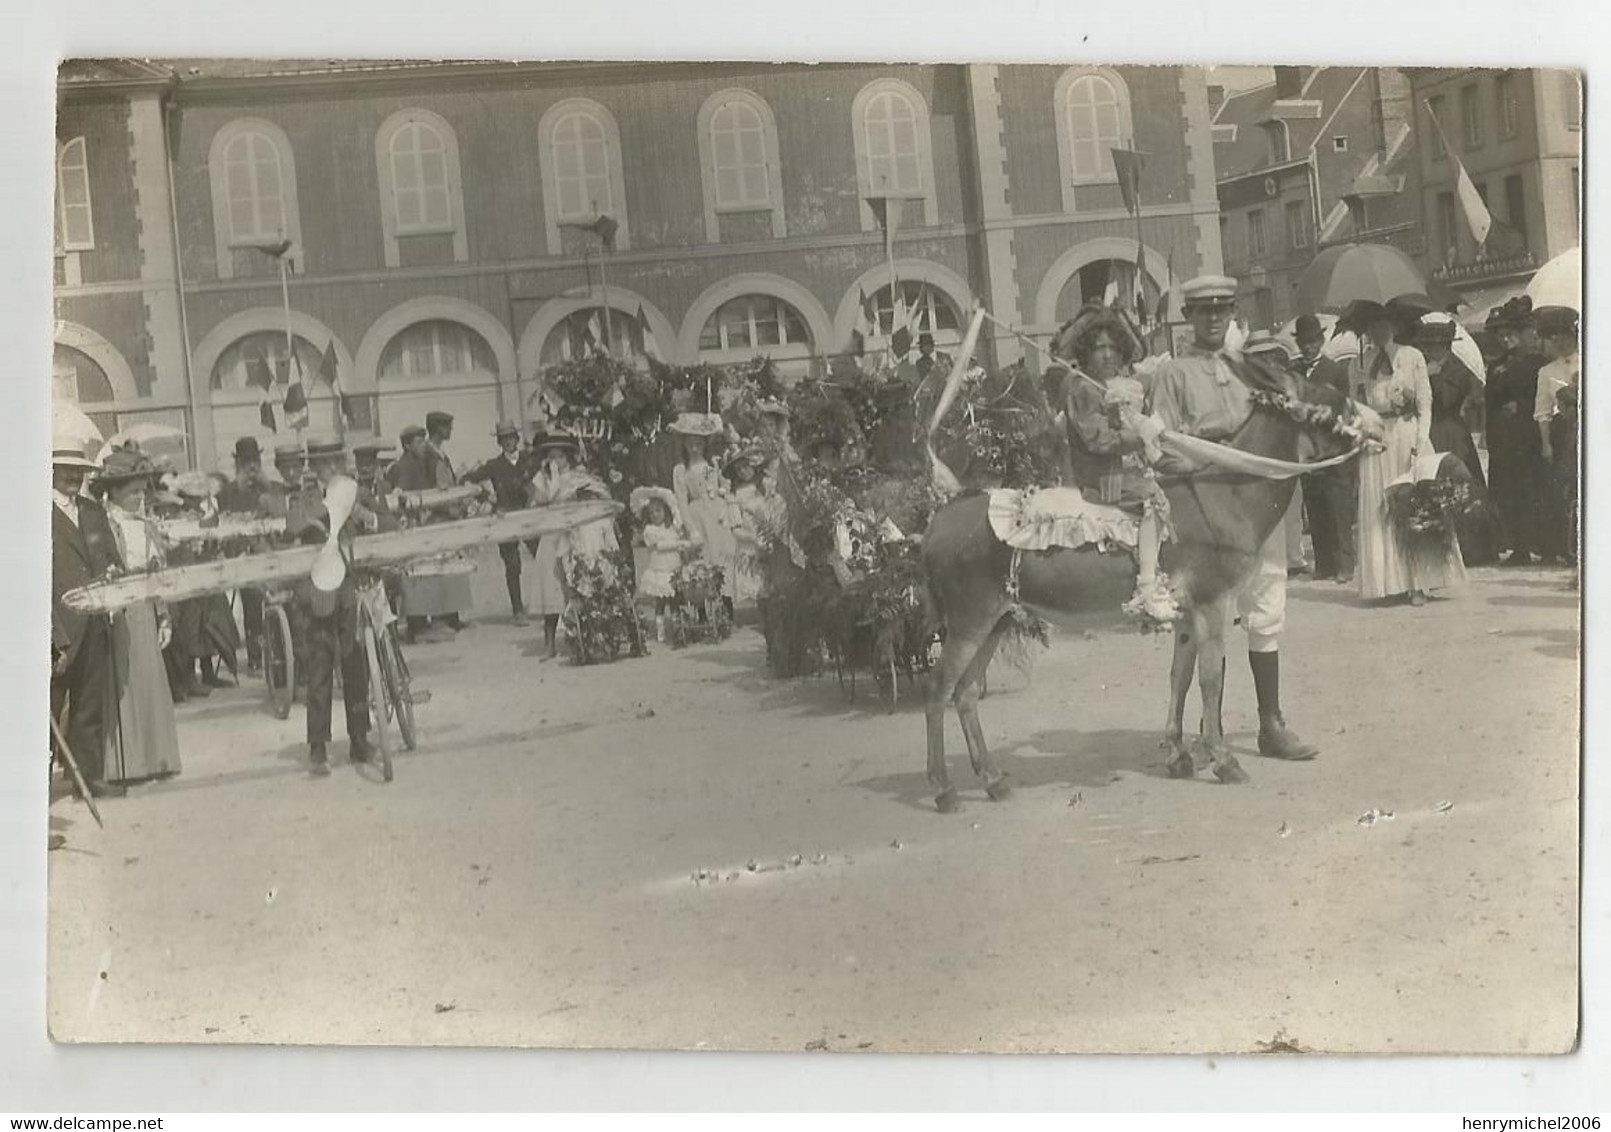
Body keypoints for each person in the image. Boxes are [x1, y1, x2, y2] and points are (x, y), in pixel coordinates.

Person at [1143, 275, 1319, 762]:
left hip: (1258, 509)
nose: (1213, 318)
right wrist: (1195, 459)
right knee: (1205, 621)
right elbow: (1158, 445)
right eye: (1203, 311)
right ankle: (1205, 727)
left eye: (1222, 309)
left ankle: (1271, 723)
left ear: (1232, 311)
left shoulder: (1252, 371)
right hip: (1204, 514)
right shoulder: (1172, 374)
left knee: (1267, 608)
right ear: (1190, 316)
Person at [1055, 304, 1176, 623]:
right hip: (1101, 477)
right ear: (1086, 351)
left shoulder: (1119, 387)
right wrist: (1139, 435)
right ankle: (1147, 586)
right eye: (1098, 348)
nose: (1107, 355)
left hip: (1127, 469)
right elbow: (1100, 441)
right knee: (1152, 499)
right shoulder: (1081, 388)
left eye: (1112, 347)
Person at [1351, 303, 1466, 605]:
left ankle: (1419, 582)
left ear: (1393, 326)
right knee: (1380, 507)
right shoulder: (1360, 363)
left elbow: (1425, 405)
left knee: (1412, 505)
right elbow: (1354, 406)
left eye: (1384, 325)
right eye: (1373, 326)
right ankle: (1387, 582)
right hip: (1376, 438)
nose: (1379, 332)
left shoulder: (1411, 357)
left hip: (1405, 435)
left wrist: (1419, 441)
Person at [292, 435, 389, 776]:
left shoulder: (357, 492)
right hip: (319, 590)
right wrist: (324, 510)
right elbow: (291, 525)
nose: (331, 468)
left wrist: (368, 517)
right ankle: (318, 746)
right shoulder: (305, 497)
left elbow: (385, 520)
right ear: (315, 468)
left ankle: (359, 739)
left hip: (350, 587)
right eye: (324, 463)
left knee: (355, 663)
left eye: (336, 462)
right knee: (319, 664)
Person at [93, 448, 181, 785]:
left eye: (142, 490)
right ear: (114, 491)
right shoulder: (103, 523)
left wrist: (163, 615)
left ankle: (157, 756)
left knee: (149, 679)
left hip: (144, 607)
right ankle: (127, 762)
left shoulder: (145, 527)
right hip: (118, 610)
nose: (139, 496)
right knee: (123, 684)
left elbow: (159, 575)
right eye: (132, 491)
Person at [52, 436, 125, 798]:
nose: (73, 477)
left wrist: (113, 571)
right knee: (46, 710)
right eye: (66, 470)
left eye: (79, 470)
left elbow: (111, 555)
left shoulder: (93, 511)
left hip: (95, 622)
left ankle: (89, 779)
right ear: (49, 471)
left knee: (89, 703)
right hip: (58, 629)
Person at [1418, 313, 1495, 565]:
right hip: (1431, 431)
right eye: (1428, 346)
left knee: (1459, 488)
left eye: (1436, 346)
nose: (1431, 350)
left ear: (1447, 345)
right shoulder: (1425, 367)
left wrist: (1432, 376)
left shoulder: (1458, 370)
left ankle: (1471, 550)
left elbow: (1448, 400)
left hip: (1451, 431)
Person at [529, 433, 614, 659]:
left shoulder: (578, 477)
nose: (556, 460)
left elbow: (591, 497)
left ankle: (582, 636)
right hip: (551, 535)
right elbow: (541, 499)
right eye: (551, 456)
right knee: (551, 584)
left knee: (578, 583)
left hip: (574, 534)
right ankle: (549, 643)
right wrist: (551, 478)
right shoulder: (543, 478)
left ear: (568, 457)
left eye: (559, 456)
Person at [388, 422, 472, 643]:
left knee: (433, 571)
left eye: (423, 440)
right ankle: (417, 626)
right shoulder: (404, 466)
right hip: (415, 525)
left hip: (427, 523)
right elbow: (402, 490)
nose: (423, 445)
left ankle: (439, 619)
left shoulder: (425, 461)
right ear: (407, 445)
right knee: (415, 576)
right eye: (418, 441)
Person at [1483, 298, 1550, 565]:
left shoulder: (1538, 363)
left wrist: (1520, 406)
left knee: (1531, 489)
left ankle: (1543, 545)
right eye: (1501, 335)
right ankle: (1518, 547)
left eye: (1510, 334)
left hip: (1529, 434)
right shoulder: (1496, 364)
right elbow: (1490, 402)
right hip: (1504, 438)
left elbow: (1543, 397)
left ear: (1524, 333)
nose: (1505, 339)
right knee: (1507, 491)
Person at [1292, 314, 1358, 583]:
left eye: (1312, 341)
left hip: (1333, 444)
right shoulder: (1292, 371)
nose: (1307, 347)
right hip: (1306, 446)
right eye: (1303, 342)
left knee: (1338, 504)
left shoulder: (1336, 370)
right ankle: (1324, 564)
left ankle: (1345, 564)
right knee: (1315, 503)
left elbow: (1343, 407)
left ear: (1320, 341)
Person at [1246, 331, 1310, 576]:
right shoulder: (1244, 386)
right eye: (1258, 356)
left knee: (1292, 507)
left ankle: (1294, 558)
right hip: (1258, 453)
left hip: (1285, 451)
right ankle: (1264, 562)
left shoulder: (1286, 383)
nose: (1265, 361)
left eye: (1267, 355)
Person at [464, 422, 539, 626]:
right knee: (512, 565)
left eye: (511, 437)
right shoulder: (494, 465)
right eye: (504, 439)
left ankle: (548, 605)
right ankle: (517, 609)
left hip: (531, 516)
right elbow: (468, 480)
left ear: (516, 438)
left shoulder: (530, 460)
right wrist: (487, 497)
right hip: (505, 519)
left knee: (542, 556)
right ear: (499, 442)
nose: (508, 442)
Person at [670, 413, 737, 616]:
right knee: (699, 563)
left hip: (717, 515)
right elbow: (681, 500)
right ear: (685, 445)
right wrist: (690, 528)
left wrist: (725, 489)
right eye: (690, 443)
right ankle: (701, 611)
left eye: (698, 443)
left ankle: (725, 605)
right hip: (697, 516)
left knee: (721, 558)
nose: (694, 447)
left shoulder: (712, 465)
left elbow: (723, 487)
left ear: (704, 444)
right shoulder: (681, 470)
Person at [217, 436, 271, 671]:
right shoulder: (226, 494)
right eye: (247, 462)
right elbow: (221, 528)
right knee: (252, 601)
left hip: (270, 553)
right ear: (238, 464)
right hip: (242, 555)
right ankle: (256, 656)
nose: (252, 467)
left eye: (255, 461)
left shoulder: (270, 487)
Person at [1534, 306, 1580, 567]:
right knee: (1565, 489)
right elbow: (1542, 412)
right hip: (1563, 434)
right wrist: (1546, 444)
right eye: (1554, 338)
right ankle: (1569, 548)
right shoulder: (1546, 372)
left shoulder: (1590, 358)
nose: (1559, 342)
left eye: (1564, 336)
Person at [631, 488, 695, 642]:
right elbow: (660, 546)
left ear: (666, 511)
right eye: (651, 513)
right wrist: (681, 543)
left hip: (673, 568)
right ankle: (661, 631)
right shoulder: (649, 531)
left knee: (675, 600)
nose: (655, 515)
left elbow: (678, 537)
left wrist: (684, 546)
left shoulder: (671, 528)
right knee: (660, 603)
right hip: (659, 570)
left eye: (658, 511)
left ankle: (677, 629)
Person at [722, 447, 767, 607]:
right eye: (738, 469)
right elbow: (734, 528)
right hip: (749, 543)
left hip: (769, 539)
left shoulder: (766, 485)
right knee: (752, 584)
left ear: (753, 465)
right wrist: (753, 539)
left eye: (745, 466)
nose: (742, 471)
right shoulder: (736, 495)